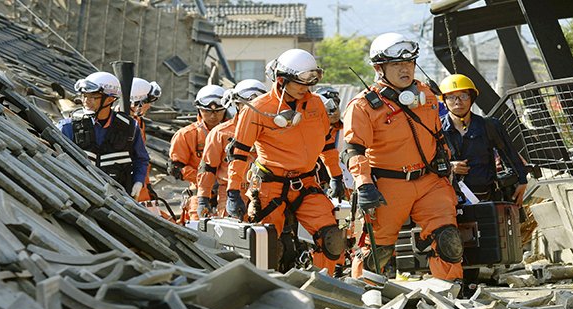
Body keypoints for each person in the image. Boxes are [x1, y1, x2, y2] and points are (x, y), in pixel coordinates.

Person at [342, 32, 463, 281]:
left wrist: (446, 166)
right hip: (388, 185)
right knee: (377, 249)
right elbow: (354, 149)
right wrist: (364, 184)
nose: (405, 69)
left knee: (448, 239)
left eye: (409, 62)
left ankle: (451, 290)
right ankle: (364, 294)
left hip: (430, 181)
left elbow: (438, 136)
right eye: (396, 64)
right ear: (379, 68)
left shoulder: (427, 95)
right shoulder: (363, 106)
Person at [225, 48, 346, 274]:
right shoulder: (258, 109)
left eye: (310, 82)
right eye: (300, 83)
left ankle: (323, 285)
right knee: (265, 246)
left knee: (332, 237)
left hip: (306, 184)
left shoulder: (316, 105)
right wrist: (233, 192)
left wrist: (336, 176)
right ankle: (267, 287)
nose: (305, 88)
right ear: (281, 80)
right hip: (269, 186)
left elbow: (327, 144)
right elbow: (239, 153)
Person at [439, 74, 528, 205]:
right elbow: (428, 163)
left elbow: (510, 155)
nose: (458, 101)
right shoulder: (436, 129)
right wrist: (450, 166)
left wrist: (522, 181)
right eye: (451, 97)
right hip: (449, 199)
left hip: (486, 197)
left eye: (464, 96)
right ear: (445, 101)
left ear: (471, 98)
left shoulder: (490, 126)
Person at [59, 71, 149, 199]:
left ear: (110, 99)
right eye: (84, 96)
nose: (86, 101)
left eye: (93, 97)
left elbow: (141, 159)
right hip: (80, 197)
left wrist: (138, 181)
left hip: (118, 199)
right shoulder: (68, 127)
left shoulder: (130, 127)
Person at [196, 79, 268, 218]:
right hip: (232, 193)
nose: (251, 109)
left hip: (266, 192)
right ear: (236, 105)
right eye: (245, 105)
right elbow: (208, 168)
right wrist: (203, 199)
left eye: (256, 104)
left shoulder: (275, 131)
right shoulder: (220, 133)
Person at [168, 84, 227, 219]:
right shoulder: (186, 135)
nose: (213, 116)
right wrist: (205, 180)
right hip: (199, 194)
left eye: (218, 111)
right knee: (197, 226)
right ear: (199, 110)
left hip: (229, 193)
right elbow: (176, 167)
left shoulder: (236, 132)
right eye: (207, 111)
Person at [130, 77, 163, 201]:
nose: (149, 106)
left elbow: (141, 157)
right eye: (147, 102)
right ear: (137, 102)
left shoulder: (139, 122)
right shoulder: (119, 123)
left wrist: (146, 184)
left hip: (139, 180)